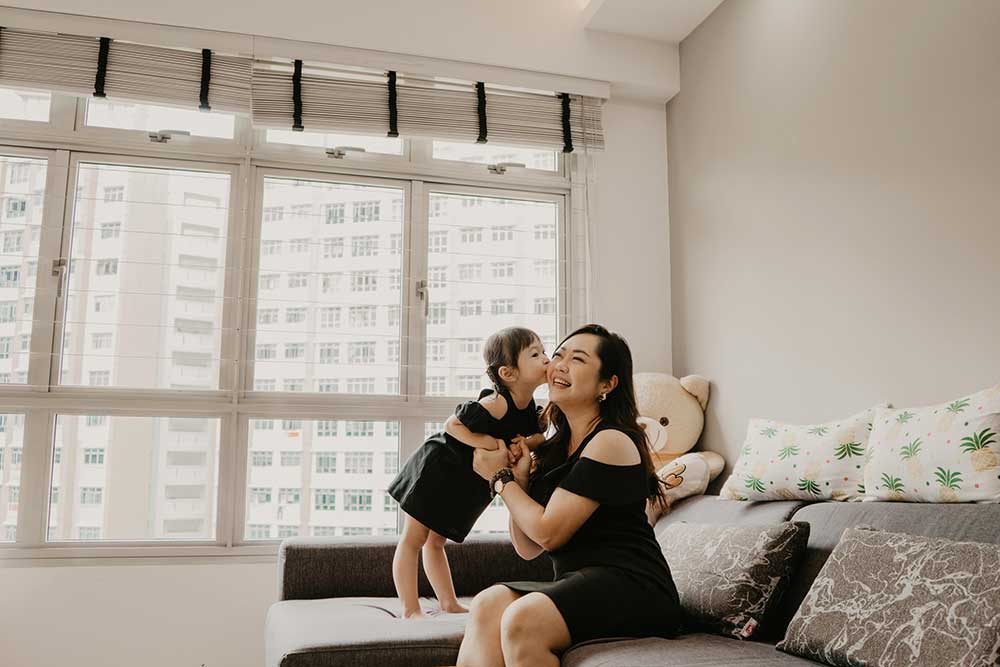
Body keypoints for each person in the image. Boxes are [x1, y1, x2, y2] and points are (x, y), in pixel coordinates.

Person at [455, 324, 683, 667]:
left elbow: (549, 532)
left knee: (523, 619)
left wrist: (501, 481)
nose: (560, 364)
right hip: (582, 582)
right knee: (488, 603)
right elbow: (529, 546)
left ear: (607, 384)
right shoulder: (554, 448)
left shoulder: (611, 441)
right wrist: (521, 482)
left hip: (635, 587)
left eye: (577, 359)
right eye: (558, 355)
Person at [387, 327, 549, 619]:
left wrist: (524, 442)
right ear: (508, 374)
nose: (546, 359)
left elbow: (538, 437)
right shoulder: (498, 403)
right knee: (414, 538)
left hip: (463, 480)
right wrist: (488, 442)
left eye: (544, 351)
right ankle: (410, 609)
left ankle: (448, 603)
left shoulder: (529, 410)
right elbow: (453, 425)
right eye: (536, 354)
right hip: (438, 467)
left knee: (437, 542)